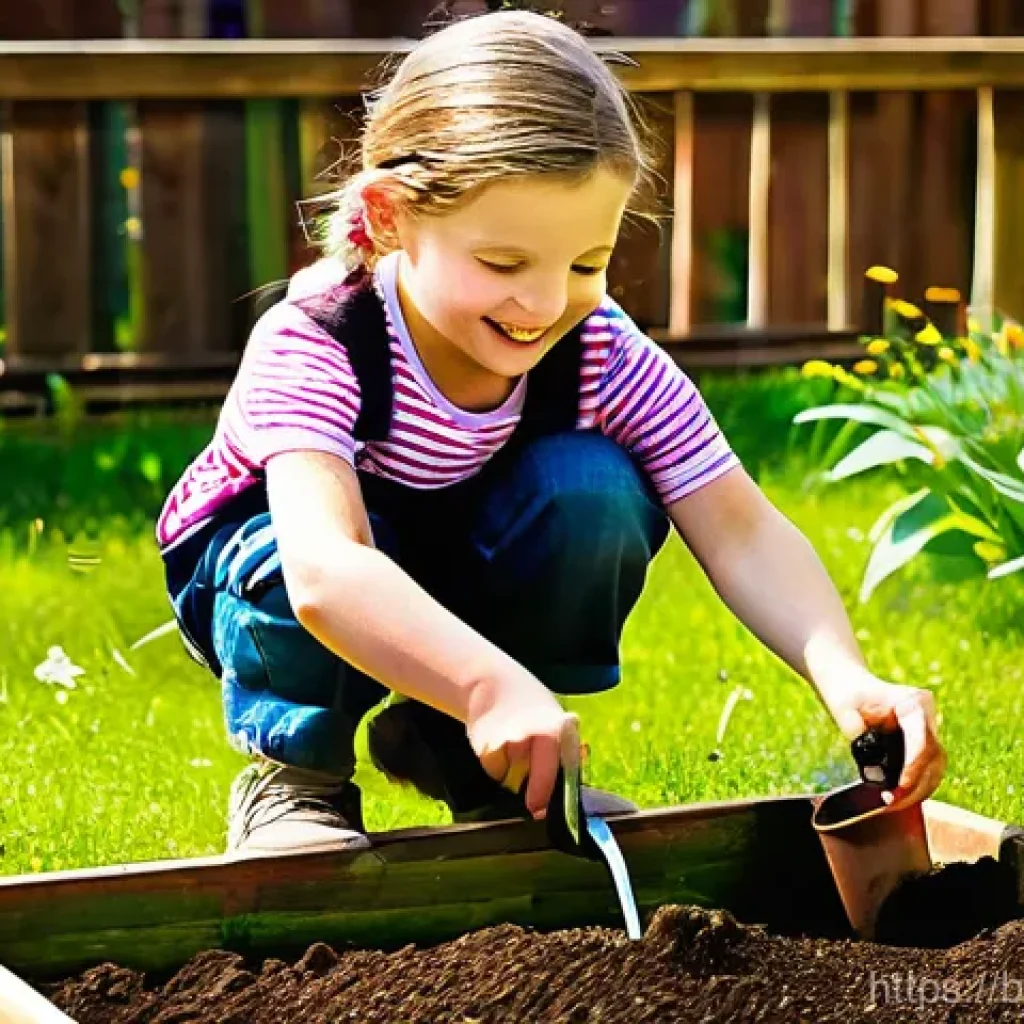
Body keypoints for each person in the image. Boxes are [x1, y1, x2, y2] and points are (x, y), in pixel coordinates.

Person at [157, 9, 946, 857]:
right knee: (299, 551)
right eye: (503, 264)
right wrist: (488, 682)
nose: (542, 304)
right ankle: (297, 777)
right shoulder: (320, 337)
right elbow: (325, 569)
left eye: (583, 264)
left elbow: (742, 530)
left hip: (452, 559)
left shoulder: (599, 347)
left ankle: (472, 763)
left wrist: (848, 677)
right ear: (390, 218)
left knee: (594, 496)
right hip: (276, 580)